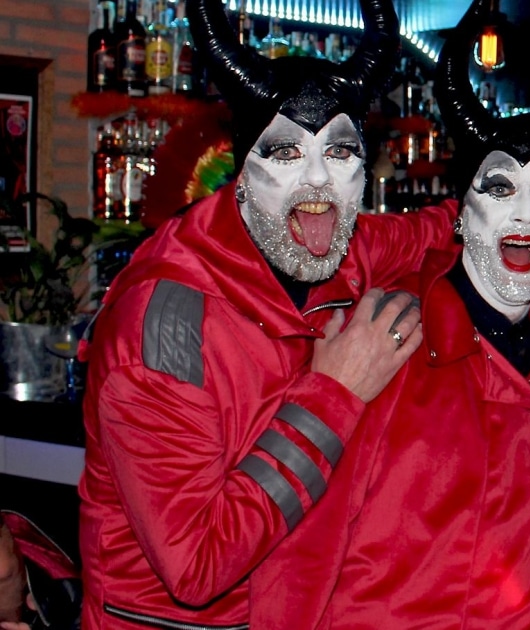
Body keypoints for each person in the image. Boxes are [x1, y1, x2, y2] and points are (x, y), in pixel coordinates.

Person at [247, 2, 530, 627]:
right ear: (460, 211)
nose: (525, 214)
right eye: (500, 188)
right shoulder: (382, 343)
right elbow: (298, 562)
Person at [77, 0, 457, 627]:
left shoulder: (344, 249)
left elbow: (444, 229)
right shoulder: (167, 326)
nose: (319, 180)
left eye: (340, 152)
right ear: (242, 169)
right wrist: (335, 393)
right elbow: (196, 565)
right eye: (285, 154)